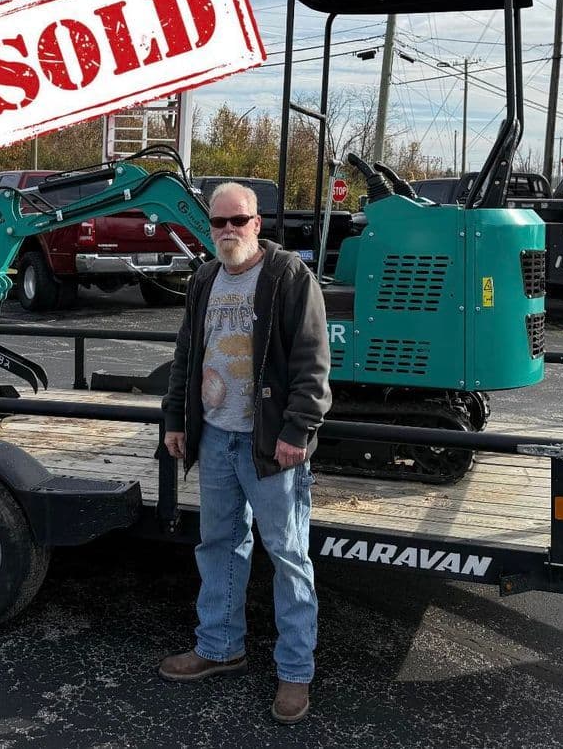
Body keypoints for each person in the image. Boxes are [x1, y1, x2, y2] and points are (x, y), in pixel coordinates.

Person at [158, 181, 332, 725]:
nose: (228, 230)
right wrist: (175, 418)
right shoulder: (205, 278)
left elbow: (312, 362)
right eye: (219, 222)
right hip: (214, 436)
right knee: (219, 545)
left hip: (269, 445)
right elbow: (188, 351)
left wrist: (296, 430)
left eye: (239, 220)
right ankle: (219, 646)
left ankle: (294, 673)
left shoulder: (287, 276)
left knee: (287, 556)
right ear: (209, 227)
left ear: (258, 223)